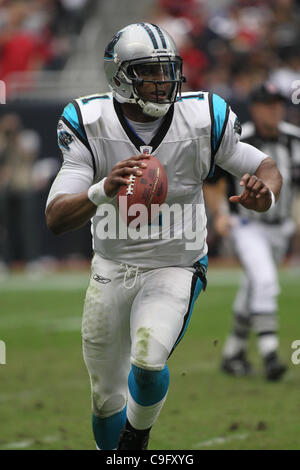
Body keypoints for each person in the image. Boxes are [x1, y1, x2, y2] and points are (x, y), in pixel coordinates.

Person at [45, 23, 282, 450]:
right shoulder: (89, 122)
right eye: (149, 72)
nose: (162, 82)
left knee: (149, 358)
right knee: (104, 398)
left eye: (167, 70)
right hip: (112, 266)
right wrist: (102, 190)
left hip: (176, 262)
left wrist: (264, 195)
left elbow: (265, 168)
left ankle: (135, 440)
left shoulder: (202, 117)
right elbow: (56, 217)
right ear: (120, 77)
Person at [204, 82, 300, 381]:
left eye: (278, 103)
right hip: (246, 225)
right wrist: (219, 214)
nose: (275, 109)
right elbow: (212, 181)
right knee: (265, 281)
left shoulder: (294, 139)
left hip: (281, 227)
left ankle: (233, 352)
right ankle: (270, 353)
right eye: (268, 104)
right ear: (255, 109)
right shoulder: (238, 139)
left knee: (253, 288)